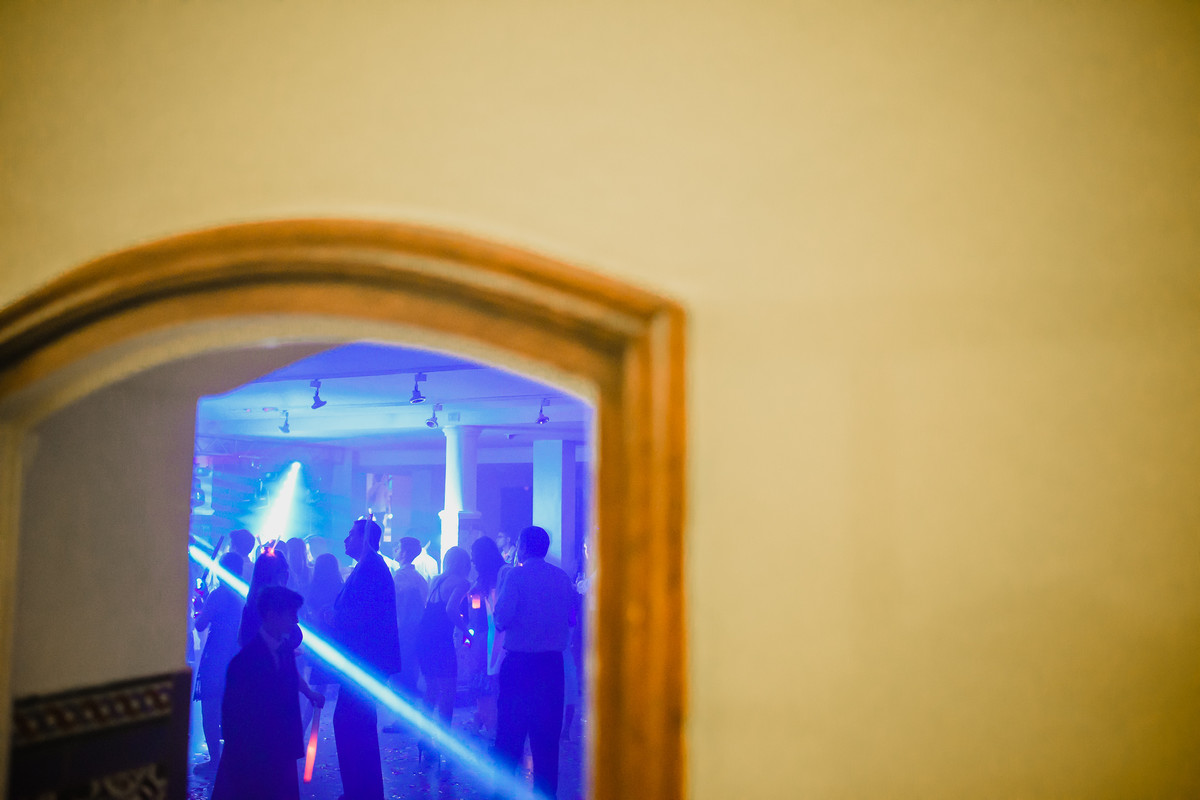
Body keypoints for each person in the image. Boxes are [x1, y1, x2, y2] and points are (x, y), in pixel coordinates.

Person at [211, 585, 323, 800]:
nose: (296, 620)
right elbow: (232, 718)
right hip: (257, 753)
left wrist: (309, 693)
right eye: (291, 614)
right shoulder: (244, 662)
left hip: (281, 748)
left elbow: (290, 680)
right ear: (272, 615)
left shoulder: (283, 651)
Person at [493, 526, 577, 798]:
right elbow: (571, 617)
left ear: (524, 546)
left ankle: (502, 793)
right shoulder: (561, 577)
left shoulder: (516, 575)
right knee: (547, 740)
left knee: (510, 735)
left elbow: (501, 618)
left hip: (520, 665)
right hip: (552, 666)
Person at [331, 517, 402, 800]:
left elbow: (364, 616)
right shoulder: (368, 566)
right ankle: (360, 790)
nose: (346, 539)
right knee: (354, 725)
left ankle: (360, 792)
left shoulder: (371, 568)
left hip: (364, 662)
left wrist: (335, 616)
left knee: (352, 724)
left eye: (351, 534)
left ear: (364, 539)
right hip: (363, 661)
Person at [414, 544, 471, 763]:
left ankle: (424, 739)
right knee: (448, 692)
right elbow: (450, 609)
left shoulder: (436, 579)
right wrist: (467, 630)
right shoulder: (462, 582)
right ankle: (444, 743)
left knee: (431, 690)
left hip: (424, 638)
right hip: (440, 641)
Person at [192, 552, 246, 776]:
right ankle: (236, 758)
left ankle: (215, 760)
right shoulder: (245, 595)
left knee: (211, 710)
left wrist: (199, 604)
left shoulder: (218, 595)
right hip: (238, 656)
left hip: (216, 656)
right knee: (234, 709)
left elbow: (200, 624)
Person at [467, 535, 508, 736]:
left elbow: (477, 614)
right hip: (488, 635)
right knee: (488, 681)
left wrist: (472, 640)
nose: (472, 561)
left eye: (475, 556)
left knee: (493, 682)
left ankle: (493, 727)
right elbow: (476, 612)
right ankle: (488, 723)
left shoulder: (504, 574)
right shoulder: (482, 581)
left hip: (499, 636)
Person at [392, 537, 429, 706]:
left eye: (398, 548)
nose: (395, 550)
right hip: (416, 630)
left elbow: (395, 606)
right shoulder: (419, 578)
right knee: (410, 670)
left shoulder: (400, 578)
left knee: (402, 672)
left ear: (404, 553)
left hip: (401, 630)